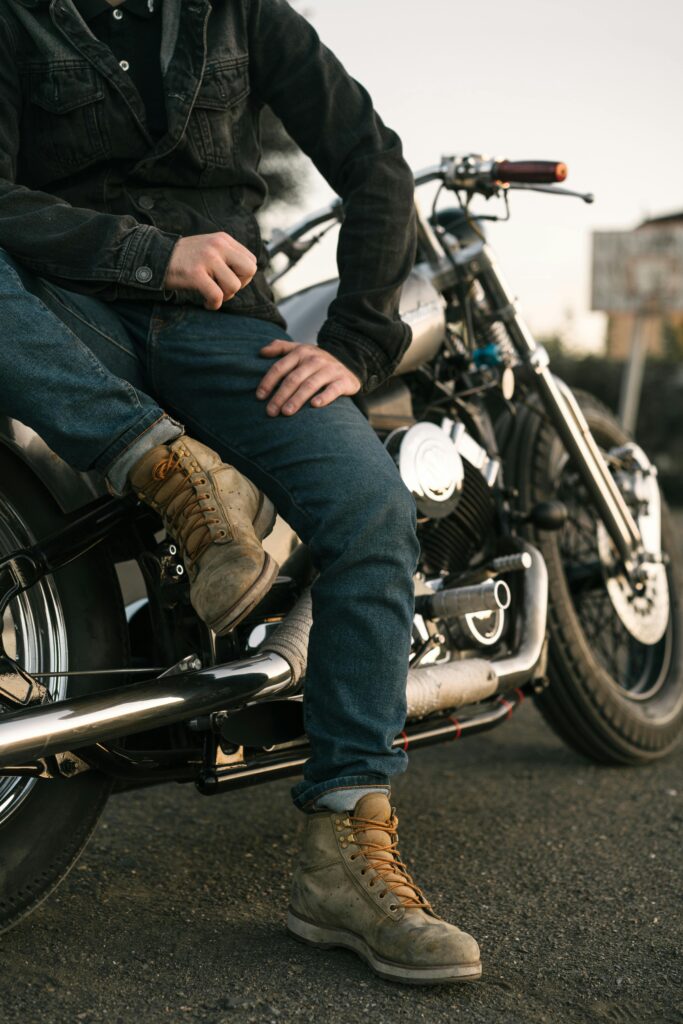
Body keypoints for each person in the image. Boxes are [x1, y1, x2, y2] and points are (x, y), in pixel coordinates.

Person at [0, 0, 481, 984]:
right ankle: (174, 473)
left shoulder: (245, 13)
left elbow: (373, 159)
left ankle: (345, 853)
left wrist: (351, 345)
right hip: (67, 307)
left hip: (224, 329)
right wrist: (147, 254)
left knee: (371, 507)